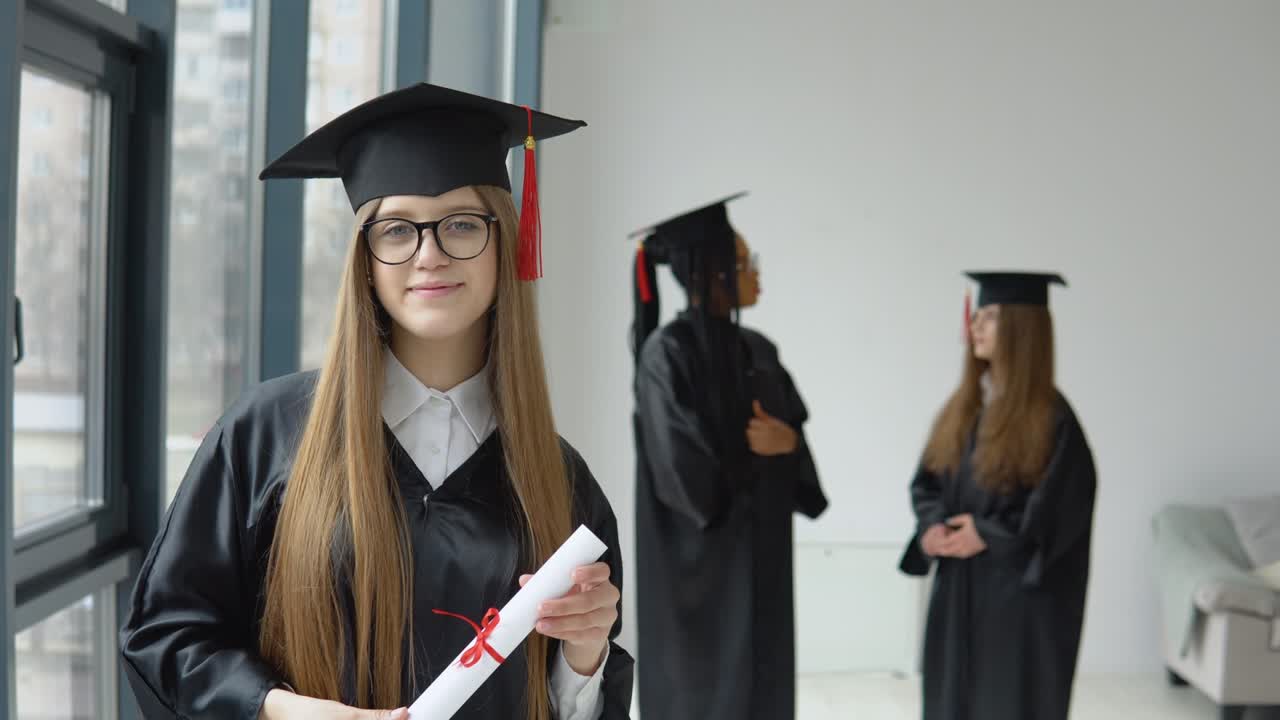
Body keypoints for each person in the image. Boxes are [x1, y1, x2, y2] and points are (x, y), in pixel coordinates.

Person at [120, 83, 634, 720]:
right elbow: (166, 637)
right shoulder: (266, 436)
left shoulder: (557, 478)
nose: (430, 254)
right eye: (397, 230)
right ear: (364, 258)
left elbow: (572, 700)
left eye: (463, 224)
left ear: (505, 243)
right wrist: (286, 711)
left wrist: (583, 656)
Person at [630, 193, 828, 720]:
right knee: (704, 692)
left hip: (760, 556)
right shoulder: (666, 355)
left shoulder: (759, 349)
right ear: (710, 271)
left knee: (763, 683)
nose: (754, 274)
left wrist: (787, 447)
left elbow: (793, 444)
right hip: (698, 569)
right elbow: (685, 480)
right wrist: (750, 461)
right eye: (743, 263)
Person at [899, 271, 1097, 720]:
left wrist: (988, 533)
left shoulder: (1052, 418)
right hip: (959, 588)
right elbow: (927, 482)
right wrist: (932, 528)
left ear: (1023, 329)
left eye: (990, 318)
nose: (976, 328)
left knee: (1006, 702)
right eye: (978, 318)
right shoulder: (963, 407)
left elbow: (1061, 515)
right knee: (952, 699)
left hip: (1017, 602)